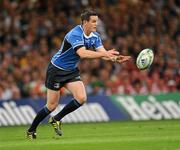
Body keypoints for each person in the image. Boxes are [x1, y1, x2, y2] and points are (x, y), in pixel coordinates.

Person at [26, 9, 131, 139]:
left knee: (81, 98)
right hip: (56, 70)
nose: (95, 24)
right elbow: (83, 53)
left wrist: (115, 58)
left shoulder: (95, 36)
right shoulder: (74, 34)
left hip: (70, 70)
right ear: (85, 22)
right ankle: (31, 130)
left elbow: (103, 53)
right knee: (52, 105)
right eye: (93, 21)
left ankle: (56, 119)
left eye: (96, 21)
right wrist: (106, 54)